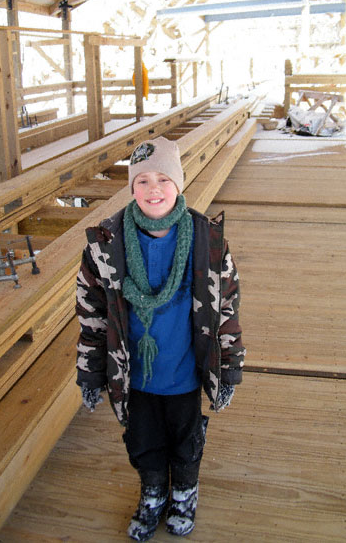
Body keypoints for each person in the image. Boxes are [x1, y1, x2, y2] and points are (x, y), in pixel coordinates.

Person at [76, 136, 245, 541]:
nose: (154, 190)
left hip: (185, 370)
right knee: (142, 439)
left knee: (186, 439)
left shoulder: (207, 241)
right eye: (142, 181)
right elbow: (93, 316)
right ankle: (153, 493)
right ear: (132, 188)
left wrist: (230, 370)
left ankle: (184, 491)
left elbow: (227, 310)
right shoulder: (106, 244)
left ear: (179, 184)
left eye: (164, 179)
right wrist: (91, 373)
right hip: (133, 374)